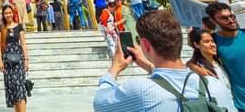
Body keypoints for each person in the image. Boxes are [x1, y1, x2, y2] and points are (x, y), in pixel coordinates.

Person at [93, 10, 235, 111]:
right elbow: (171, 81)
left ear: (146, 45)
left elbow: (100, 102)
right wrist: (149, 66)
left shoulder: (141, 90)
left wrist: (115, 68)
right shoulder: (216, 86)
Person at [0, 3, 29, 111]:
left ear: (13, 13)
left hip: (19, 59)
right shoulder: (1, 28)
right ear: (3, 15)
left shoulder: (19, 26)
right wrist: (0, 61)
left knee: (20, 86)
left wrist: (26, 60)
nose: (8, 15)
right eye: (6, 13)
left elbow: (23, 43)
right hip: (7, 60)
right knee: (12, 87)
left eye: (10, 12)